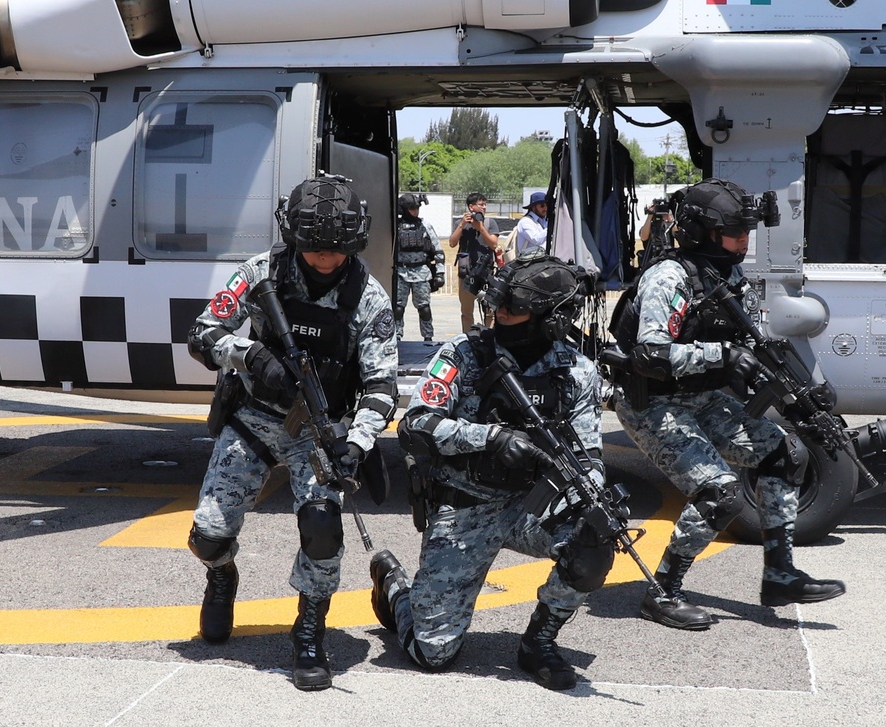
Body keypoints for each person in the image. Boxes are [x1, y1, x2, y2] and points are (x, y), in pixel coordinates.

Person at [186, 175, 398, 691]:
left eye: (336, 248)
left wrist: (357, 442)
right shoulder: (262, 273)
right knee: (208, 536)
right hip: (256, 415)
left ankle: (309, 632)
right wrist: (251, 355)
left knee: (323, 529)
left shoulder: (368, 298)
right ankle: (222, 575)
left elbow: (382, 386)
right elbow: (201, 333)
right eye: (314, 246)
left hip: (321, 432)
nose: (325, 257)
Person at [608, 178, 845, 631]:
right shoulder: (668, 277)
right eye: (735, 233)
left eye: (747, 232)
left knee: (784, 454)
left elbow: (750, 340)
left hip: (701, 397)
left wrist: (804, 390)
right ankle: (663, 593)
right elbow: (651, 354)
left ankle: (780, 574)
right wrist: (722, 357)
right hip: (652, 404)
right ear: (702, 231)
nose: (744, 241)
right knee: (721, 492)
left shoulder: (727, 273)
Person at [371, 254, 612, 691]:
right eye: (498, 306)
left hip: (531, 505)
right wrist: (490, 438)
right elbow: (416, 424)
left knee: (593, 542)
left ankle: (539, 641)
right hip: (465, 505)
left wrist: (593, 495)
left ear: (550, 318)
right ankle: (393, 586)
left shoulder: (576, 371)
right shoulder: (463, 354)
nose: (501, 315)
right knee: (433, 655)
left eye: (514, 309)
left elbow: (590, 454)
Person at [393, 193, 446, 342]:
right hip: (401, 272)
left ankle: (428, 337)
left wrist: (440, 273)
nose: (416, 211)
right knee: (397, 309)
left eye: (417, 208)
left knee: (424, 309)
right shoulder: (395, 226)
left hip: (421, 272)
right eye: (412, 208)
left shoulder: (425, 226)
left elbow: (438, 251)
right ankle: (396, 336)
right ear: (403, 209)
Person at [448, 193, 500, 331]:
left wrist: (481, 228)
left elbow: (493, 245)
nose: (484, 207)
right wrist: (462, 224)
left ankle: (489, 338)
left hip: (486, 273)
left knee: (490, 312)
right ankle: (468, 339)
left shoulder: (490, 223)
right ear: (471, 207)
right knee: (466, 312)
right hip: (466, 273)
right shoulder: (460, 223)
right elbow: (452, 243)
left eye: (485, 204)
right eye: (481, 204)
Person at [514, 191, 549, 255]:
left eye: (547, 205)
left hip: (543, 259)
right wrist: (551, 227)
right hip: (530, 262)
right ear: (533, 207)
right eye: (542, 205)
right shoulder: (525, 222)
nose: (545, 208)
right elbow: (536, 239)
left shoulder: (544, 221)